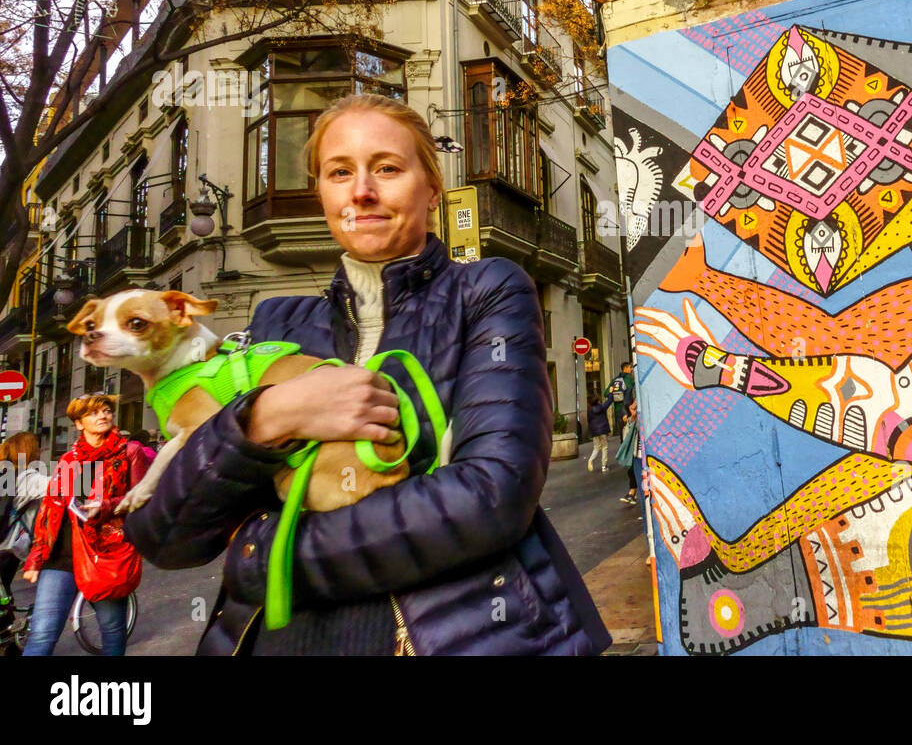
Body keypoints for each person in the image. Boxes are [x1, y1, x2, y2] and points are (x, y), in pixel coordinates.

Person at [125, 93, 611, 655]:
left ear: (432, 191)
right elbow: (168, 536)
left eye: (387, 168)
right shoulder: (275, 326)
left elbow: (489, 499)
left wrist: (265, 557)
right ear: (322, 195)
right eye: (339, 172)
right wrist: (263, 418)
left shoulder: (485, 292)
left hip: (456, 635)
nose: (362, 191)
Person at [21, 395, 150, 656]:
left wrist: (105, 506)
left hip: (105, 553)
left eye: (106, 411)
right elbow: (51, 508)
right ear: (79, 424)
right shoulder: (70, 459)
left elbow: (142, 498)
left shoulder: (129, 452)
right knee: (42, 634)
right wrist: (36, 557)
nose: (102, 416)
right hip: (62, 556)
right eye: (93, 413)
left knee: (112, 631)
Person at [0, 432, 45, 612]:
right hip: (8, 548)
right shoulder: (27, 478)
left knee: (4, 596)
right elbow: (62, 485)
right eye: (37, 447)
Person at [616, 399, 642, 506]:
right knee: (632, 472)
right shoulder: (632, 420)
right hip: (636, 452)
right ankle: (632, 494)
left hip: (642, 453)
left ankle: (633, 494)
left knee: (636, 474)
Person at [605, 361, 635, 438]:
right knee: (630, 433)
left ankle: (623, 448)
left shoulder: (615, 380)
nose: (631, 369)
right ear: (625, 369)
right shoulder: (629, 379)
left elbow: (605, 393)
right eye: (630, 367)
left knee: (622, 433)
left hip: (617, 410)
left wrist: (614, 395)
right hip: (628, 409)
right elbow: (632, 393)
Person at [585, 393, 614, 473]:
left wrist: (592, 431)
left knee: (596, 447)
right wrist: (610, 393)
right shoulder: (602, 407)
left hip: (595, 432)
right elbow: (610, 400)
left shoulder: (589, 411)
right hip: (603, 431)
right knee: (604, 447)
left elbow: (589, 421)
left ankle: (590, 460)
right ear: (598, 401)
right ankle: (604, 466)